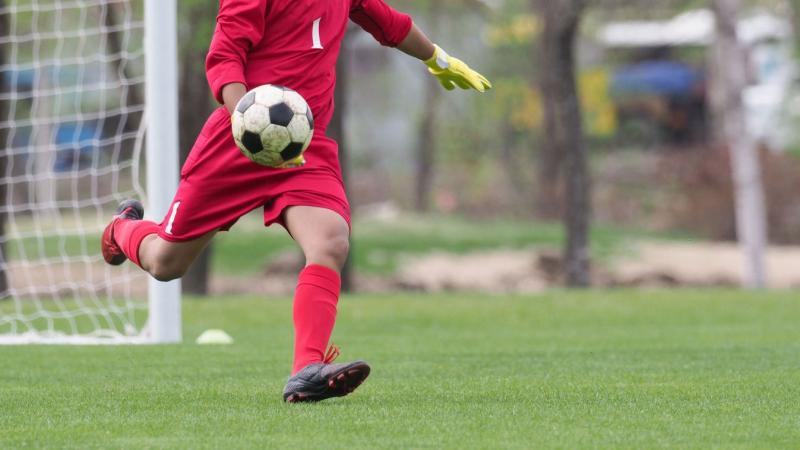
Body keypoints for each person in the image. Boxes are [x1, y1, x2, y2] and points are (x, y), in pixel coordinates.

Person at [101, 0, 491, 403]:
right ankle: (120, 230)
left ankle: (306, 370)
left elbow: (389, 23)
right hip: (238, 141)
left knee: (330, 241)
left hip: (305, 145)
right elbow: (224, 58)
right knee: (166, 263)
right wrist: (248, 121)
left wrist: (438, 58)